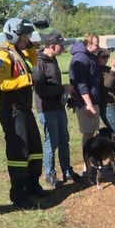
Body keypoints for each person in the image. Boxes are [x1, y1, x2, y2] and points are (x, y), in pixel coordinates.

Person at [0, 18, 47, 210]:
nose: (28, 39)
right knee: (19, 152)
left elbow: (34, 60)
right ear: (15, 35)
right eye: (26, 36)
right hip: (12, 110)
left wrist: (30, 45)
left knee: (34, 149)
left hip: (24, 109)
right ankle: (18, 194)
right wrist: (28, 79)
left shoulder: (18, 52)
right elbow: (4, 83)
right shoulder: (2, 56)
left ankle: (33, 185)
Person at [33, 32, 80, 189]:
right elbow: (41, 90)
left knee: (63, 141)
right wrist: (63, 88)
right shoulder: (39, 63)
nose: (63, 48)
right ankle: (50, 174)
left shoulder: (53, 60)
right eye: (61, 45)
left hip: (58, 108)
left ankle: (67, 171)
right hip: (46, 109)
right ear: (52, 46)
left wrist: (64, 92)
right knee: (51, 143)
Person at [68, 33, 101, 172]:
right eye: (96, 44)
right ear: (89, 45)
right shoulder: (80, 58)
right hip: (86, 103)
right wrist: (88, 104)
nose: (98, 46)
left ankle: (90, 162)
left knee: (91, 133)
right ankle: (86, 165)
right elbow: (81, 85)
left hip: (93, 100)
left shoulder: (90, 56)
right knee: (87, 133)